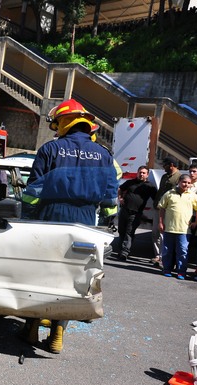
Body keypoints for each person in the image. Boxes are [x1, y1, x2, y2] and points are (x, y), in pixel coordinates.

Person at [21, 99, 118, 355]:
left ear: (63, 123)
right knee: (71, 276)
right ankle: (58, 333)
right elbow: (109, 198)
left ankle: (32, 326)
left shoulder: (50, 149)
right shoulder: (104, 155)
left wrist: (28, 216)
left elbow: (34, 190)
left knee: (41, 273)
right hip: (85, 219)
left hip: (50, 216)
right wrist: (108, 223)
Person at [158, 174, 197, 279]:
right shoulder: (169, 194)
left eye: (188, 183)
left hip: (184, 230)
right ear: (179, 182)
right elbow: (162, 208)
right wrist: (160, 222)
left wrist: (196, 222)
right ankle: (167, 269)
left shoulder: (193, 196)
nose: (186, 184)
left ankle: (181, 271)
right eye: (184, 182)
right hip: (169, 228)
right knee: (167, 250)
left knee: (182, 251)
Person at [116, 165, 157, 261]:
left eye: (143, 173)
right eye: (140, 172)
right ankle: (120, 250)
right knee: (121, 231)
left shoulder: (150, 186)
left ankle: (125, 252)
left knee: (129, 232)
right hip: (124, 211)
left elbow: (156, 199)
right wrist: (120, 198)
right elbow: (120, 189)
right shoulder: (130, 182)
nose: (141, 174)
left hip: (136, 213)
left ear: (147, 175)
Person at [151, 156, 181, 267]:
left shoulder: (179, 177)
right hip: (158, 207)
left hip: (168, 210)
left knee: (164, 234)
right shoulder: (164, 176)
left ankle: (164, 257)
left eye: (165, 165)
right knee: (155, 233)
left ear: (171, 165)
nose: (163, 167)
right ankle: (157, 255)